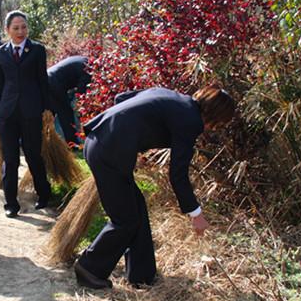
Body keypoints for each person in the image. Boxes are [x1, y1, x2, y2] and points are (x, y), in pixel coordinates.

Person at [74, 86, 235, 289]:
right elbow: (178, 174)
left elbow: (122, 97)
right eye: (219, 123)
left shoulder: (173, 98)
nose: (213, 128)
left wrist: (131, 138)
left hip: (101, 141)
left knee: (137, 209)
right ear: (216, 115)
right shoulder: (191, 120)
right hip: (109, 152)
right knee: (125, 219)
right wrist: (196, 214)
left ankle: (142, 276)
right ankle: (89, 269)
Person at [0, 10, 52, 218]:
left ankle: (44, 194)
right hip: (7, 113)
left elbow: (43, 81)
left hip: (31, 111)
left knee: (33, 155)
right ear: (7, 30)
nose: (20, 31)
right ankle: (11, 203)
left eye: (23, 27)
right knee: (10, 158)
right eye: (15, 28)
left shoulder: (37, 50)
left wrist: (47, 108)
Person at [47, 55, 92, 145]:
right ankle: (72, 143)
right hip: (53, 83)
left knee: (48, 114)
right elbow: (82, 94)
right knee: (65, 112)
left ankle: (34, 139)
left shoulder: (84, 60)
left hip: (49, 78)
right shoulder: (89, 69)